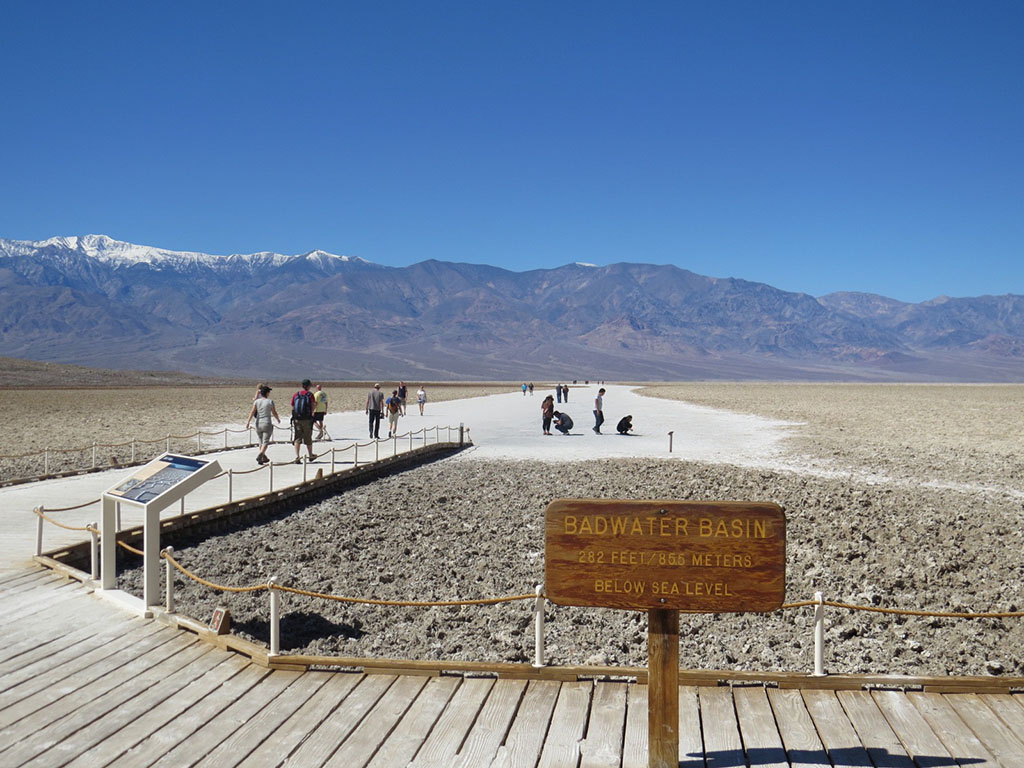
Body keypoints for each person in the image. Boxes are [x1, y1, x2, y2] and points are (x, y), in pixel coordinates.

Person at [245, 385, 280, 464]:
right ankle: (260, 455)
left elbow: (252, 412)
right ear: (267, 393)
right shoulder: (270, 401)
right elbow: (274, 412)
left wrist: (248, 422)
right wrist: (277, 419)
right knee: (265, 441)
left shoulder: (256, 401)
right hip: (266, 422)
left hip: (258, 423)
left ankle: (263, 457)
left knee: (260, 440)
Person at [291, 379, 316, 463]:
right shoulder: (310, 395)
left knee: (297, 438)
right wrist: (312, 414)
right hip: (307, 419)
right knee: (308, 437)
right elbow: (313, 406)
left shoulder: (296, 394)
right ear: (308, 386)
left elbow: (293, 406)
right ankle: (310, 455)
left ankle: (297, 456)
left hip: (297, 419)